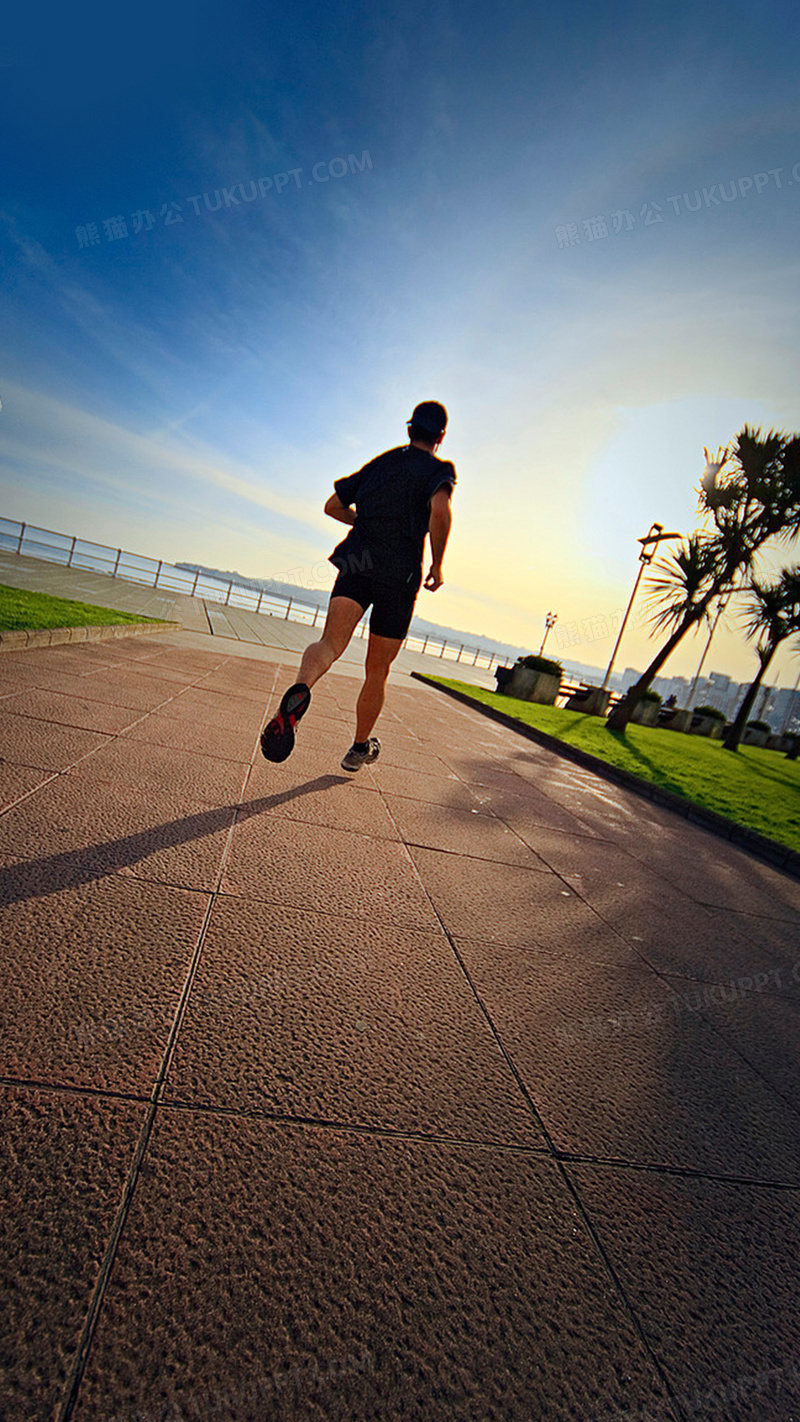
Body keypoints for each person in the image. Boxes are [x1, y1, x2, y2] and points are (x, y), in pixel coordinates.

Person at [260, 400, 456, 771]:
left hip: (358, 559)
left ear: (409, 429)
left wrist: (364, 525)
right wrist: (437, 565)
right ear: (441, 437)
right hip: (399, 574)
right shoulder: (439, 470)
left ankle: (301, 689)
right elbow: (440, 510)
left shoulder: (381, 463)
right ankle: (358, 748)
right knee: (376, 670)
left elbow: (332, 506)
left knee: (330, 643)